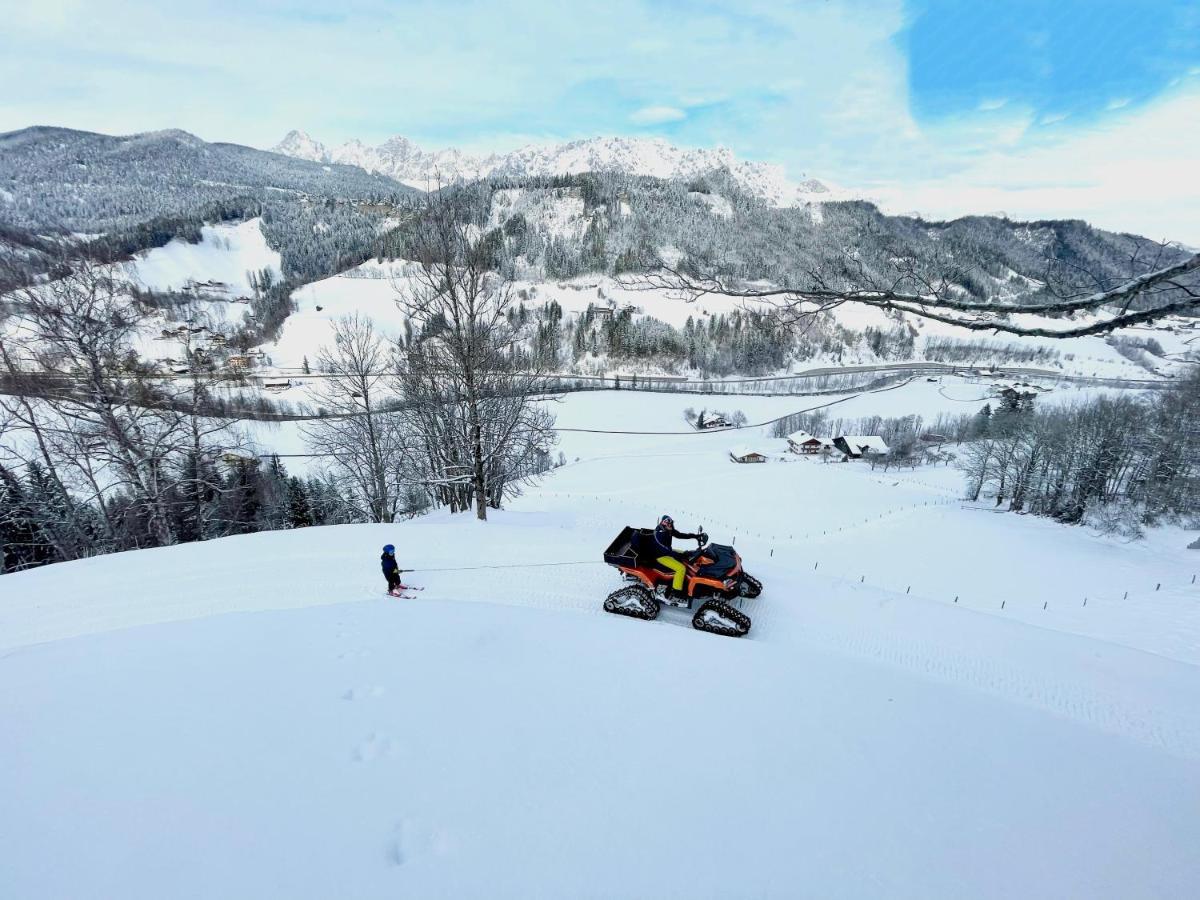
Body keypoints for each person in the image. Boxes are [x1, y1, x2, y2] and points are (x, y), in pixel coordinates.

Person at [652, 514, 701, 597]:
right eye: (668, 524)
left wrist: (695, 536)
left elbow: (681, 535)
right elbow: (665, 551)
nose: (670, 526)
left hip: (667, 551)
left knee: (686, 554)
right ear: (663, 523)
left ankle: (688, 580)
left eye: (671, 524)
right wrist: (679, 555)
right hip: (661, 556)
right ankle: (676, 592)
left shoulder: (668, 530)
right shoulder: (660, 534)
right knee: (681, 568)